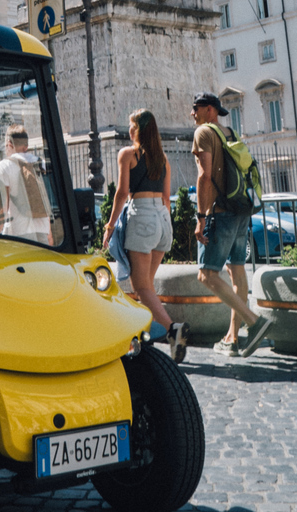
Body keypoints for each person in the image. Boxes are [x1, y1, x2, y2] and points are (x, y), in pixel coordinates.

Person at [103, 109, 189, 363]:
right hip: (162, 220)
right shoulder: (163, 158)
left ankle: (173, 329)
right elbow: (166, 198)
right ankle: (141, 337)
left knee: (141, 286)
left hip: (142, 217)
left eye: (132, 127)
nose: (129, 131)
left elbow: (121, 193)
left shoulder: (128, 154)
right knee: (146, 288)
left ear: (139, 130)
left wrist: (109, 226)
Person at [191, 92, 273, 357]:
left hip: (220, 212)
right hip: (241, 210)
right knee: (237, 271)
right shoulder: (230, 132)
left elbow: (204, 176)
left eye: (197, 108)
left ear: (210, 110)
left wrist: (201, 217)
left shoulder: (204, 132)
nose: (193, 113)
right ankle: (233, 338)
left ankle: (254, 321)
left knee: (206, 274)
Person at [0, 124, 52, 244]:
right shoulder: (40, 163)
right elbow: (46, 198)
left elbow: (4, 203)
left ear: (10, 144)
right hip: (42, 229)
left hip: (19, 231)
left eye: (6, 146)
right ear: (26, 145)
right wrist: (50, 233)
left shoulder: (4, 166)